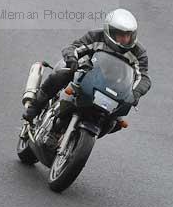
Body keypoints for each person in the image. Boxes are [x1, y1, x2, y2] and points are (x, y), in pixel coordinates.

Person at [23, 8, 151, 126]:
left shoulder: (138, 53)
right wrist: (72, 59)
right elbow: (73, 48)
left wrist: (135, 93)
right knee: (62, 73)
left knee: (115, 123)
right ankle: (34, 107)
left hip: (114, 87)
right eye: (121, 34)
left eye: (128, 35)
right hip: (87, 75)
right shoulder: (96, 37)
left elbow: (143, 77)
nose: (125, 39)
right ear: (110, 32)